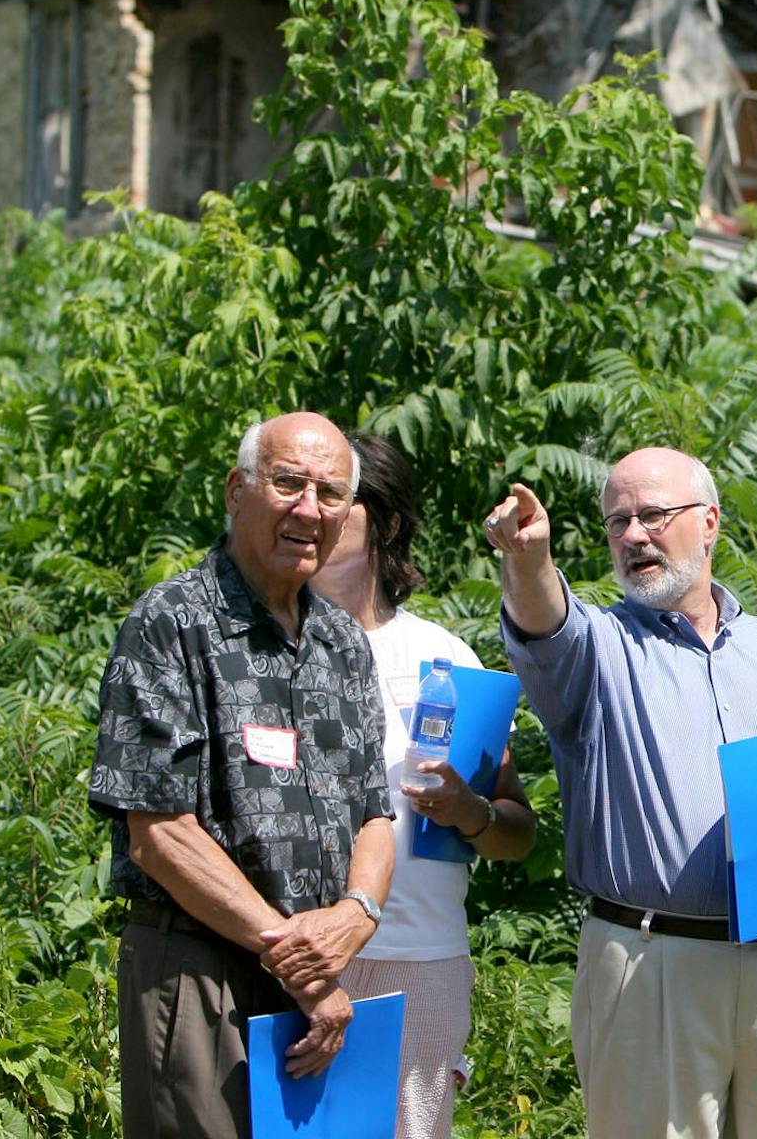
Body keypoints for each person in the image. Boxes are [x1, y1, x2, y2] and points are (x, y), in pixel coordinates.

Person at [482, 446, 757, 1138]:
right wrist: (527, 561)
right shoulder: (597, 649)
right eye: (617, 522)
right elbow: (542, 622)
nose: (634, 536)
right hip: (651, 967)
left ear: (709, 522)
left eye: (653, 515)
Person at [88, 412, 394, 1139]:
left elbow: (376, 816)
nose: (308, 510)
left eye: (330, 494)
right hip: (200, 970)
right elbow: (157, 833)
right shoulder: (171, 622)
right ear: (237, 489)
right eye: (288, 484)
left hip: (316, 978)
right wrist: (294, 956)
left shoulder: (342, 642)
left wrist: (356, 915)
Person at [311, 431, 536, 1139]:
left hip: (422, 956)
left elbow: (516, 833)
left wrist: (468, 811)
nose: (312, 515)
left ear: (388, 521)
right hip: (299, 951)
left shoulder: (442, 656)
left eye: (336, 499)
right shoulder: (264, 646)